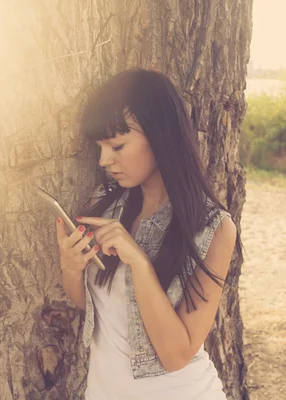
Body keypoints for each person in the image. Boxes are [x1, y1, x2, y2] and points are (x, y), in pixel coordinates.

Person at [55, 68, 242, 399]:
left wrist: (140, 265)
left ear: (160, 136)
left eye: (117, 145)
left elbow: (176, 354)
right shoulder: (108, 211)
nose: (103, 160)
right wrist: (71, 267)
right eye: (100, 147)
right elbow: (100, 314)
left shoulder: (213, 229)